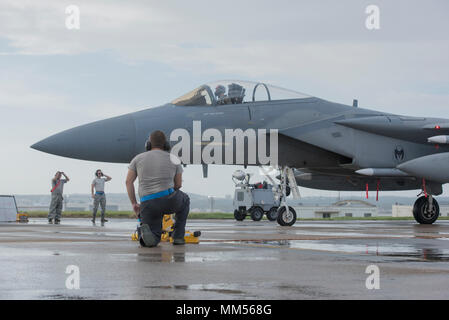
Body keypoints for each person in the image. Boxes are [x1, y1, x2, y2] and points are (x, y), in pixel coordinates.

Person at [126, 130, 190, 247]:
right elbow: (178, 184)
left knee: (153, 235)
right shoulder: (174, 158)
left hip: (148, 202)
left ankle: (148, 237)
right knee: (185, 200)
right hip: (169, 199)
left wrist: (135, 203)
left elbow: (128, 182)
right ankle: (178, 237)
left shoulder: (137, 158)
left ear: (148, 144)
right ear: (166, 145)